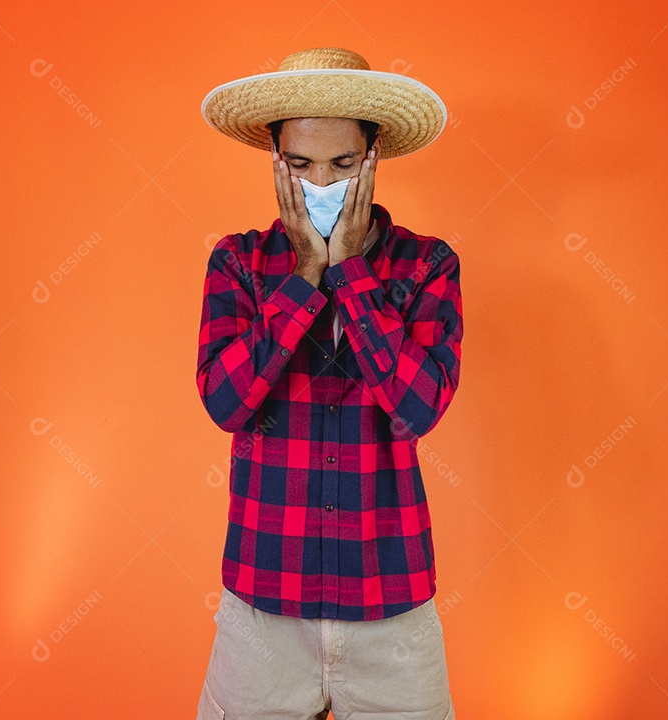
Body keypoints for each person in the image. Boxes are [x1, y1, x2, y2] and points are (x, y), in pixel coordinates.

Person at [195, 46, 463, 720]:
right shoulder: (239, 264)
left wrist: (349, 272)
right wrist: (305, 280)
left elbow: (419, 407)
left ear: (374, 158)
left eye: (342, 165)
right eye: (302, 164)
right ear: (276, 161)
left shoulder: (427, 265)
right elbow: (226, 402)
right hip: (263, 605)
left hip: (390, 602)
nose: (322, 181)